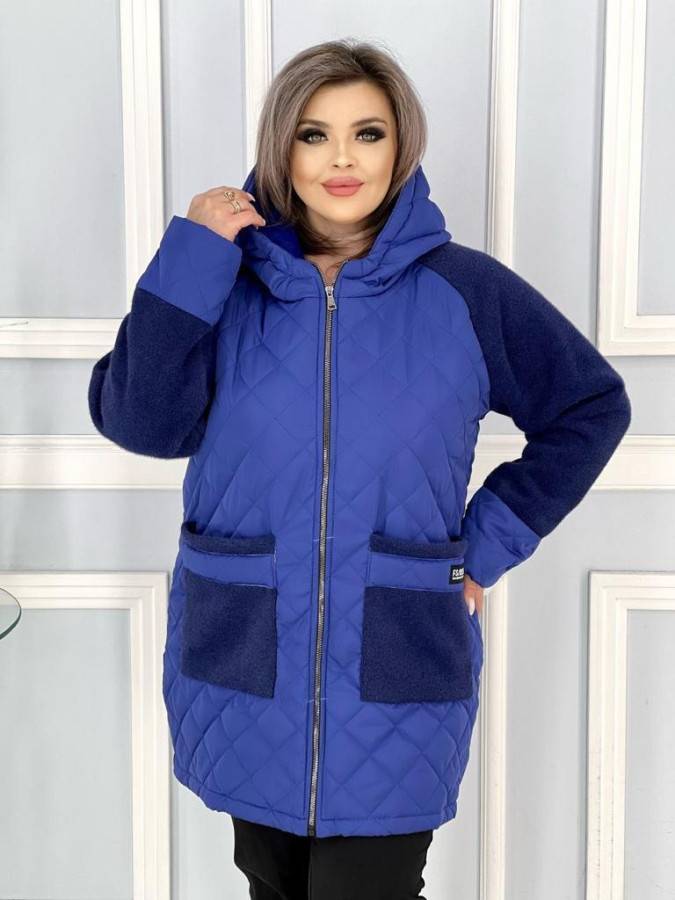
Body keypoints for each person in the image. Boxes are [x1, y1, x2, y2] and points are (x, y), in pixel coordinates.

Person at [87, 38, 631, 900]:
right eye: (314, 134)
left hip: (398, 656)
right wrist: (192, 254)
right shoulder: (222, 285)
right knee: (272, 885)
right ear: (282, 149)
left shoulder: (466, 292)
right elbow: (139, 423)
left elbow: (589, 408)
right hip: (245, 655)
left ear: (400, 145)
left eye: (367, 133)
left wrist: (482, 547)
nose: (341, 159)